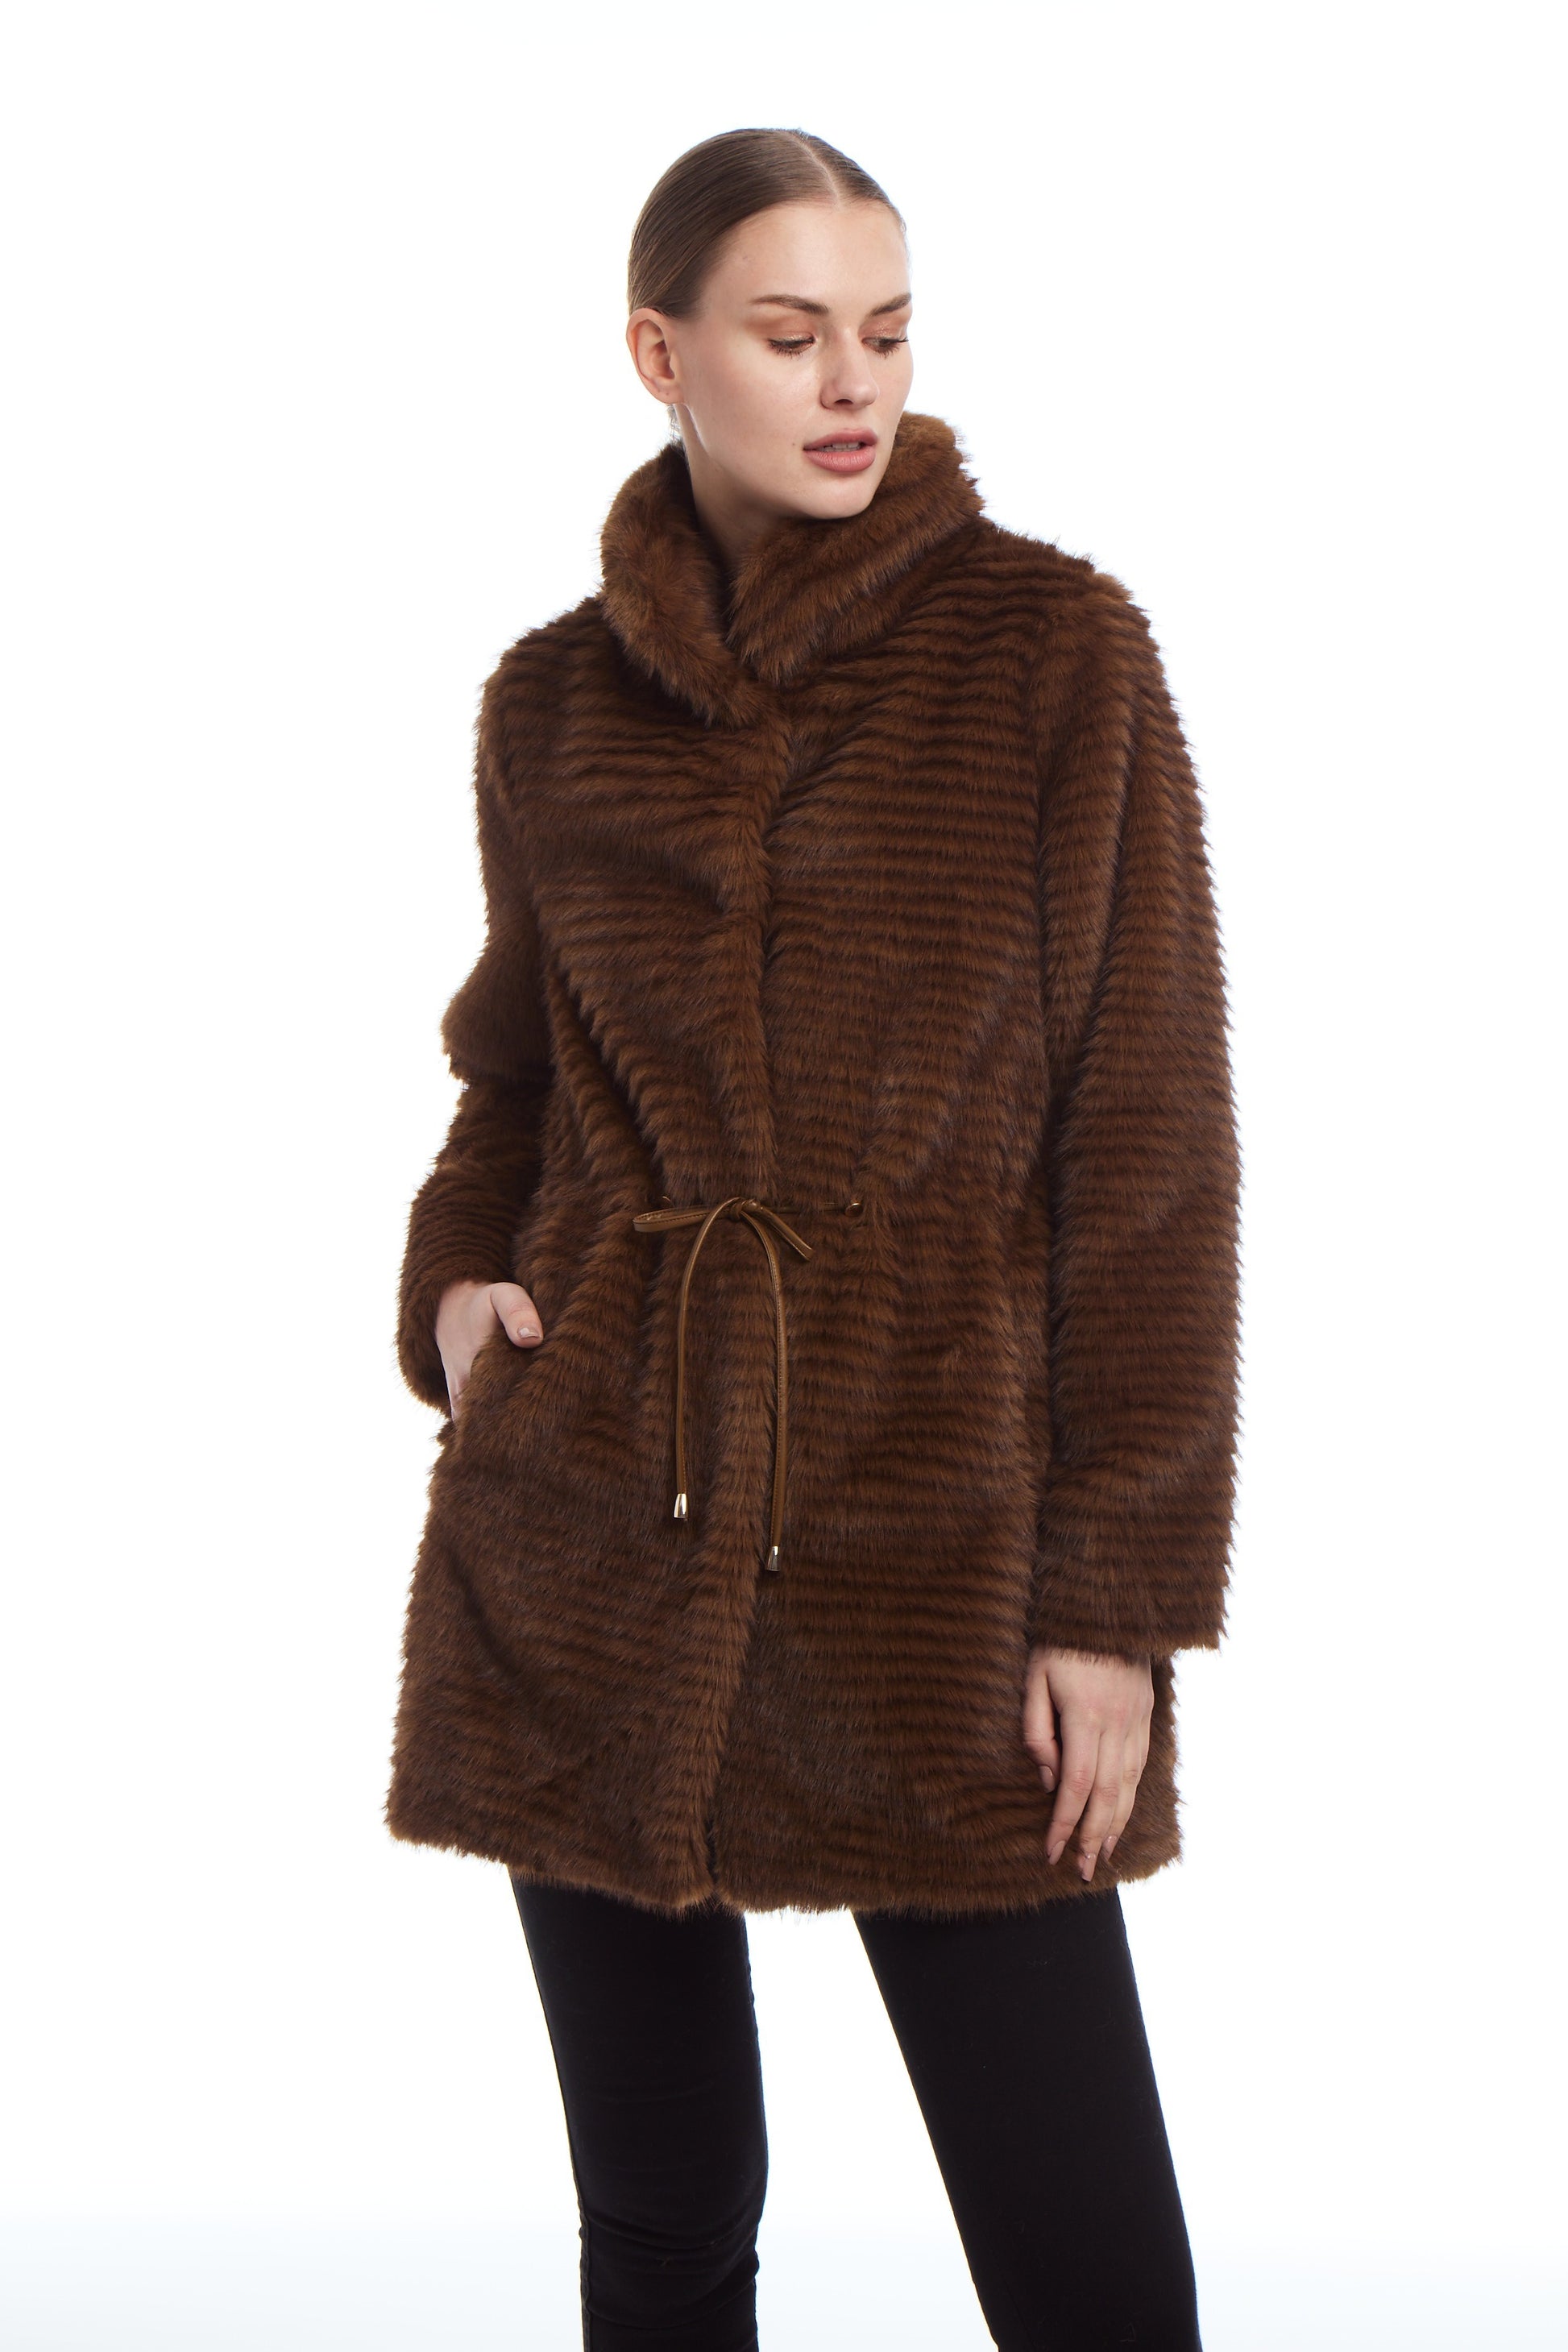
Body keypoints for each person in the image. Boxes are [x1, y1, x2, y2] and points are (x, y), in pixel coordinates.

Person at [387, 127, 1239, 2352]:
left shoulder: (1052, 653)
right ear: (661, 354)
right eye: (789, 334)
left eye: (886, 330)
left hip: (933, 1532)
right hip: (598, 1521)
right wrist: (455, 1298)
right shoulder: (551, 703)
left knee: (1087, 2271)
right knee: (663, 2230)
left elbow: (1150, 1150)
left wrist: (1113, 1603)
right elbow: (514, 1077)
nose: (851, 382)